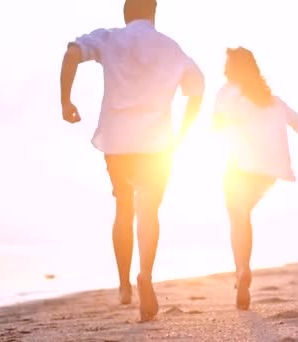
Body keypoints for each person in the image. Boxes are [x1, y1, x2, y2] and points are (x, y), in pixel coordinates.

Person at [59, 0, 204, 321]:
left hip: (117, 141)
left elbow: (72, 52)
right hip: (157, 145)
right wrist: (183, 134)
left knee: (124, 207)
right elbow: (197, 89)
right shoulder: (171, 48)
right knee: (149, 210)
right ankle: (146, 277)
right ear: (154, 13)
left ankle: (124, 283)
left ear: (126, 14)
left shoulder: (111, 38)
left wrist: (65, 101)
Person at [212, 47, 298, 311]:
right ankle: (242, 269)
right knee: (243, 213)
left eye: (228, 66)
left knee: (238, 218)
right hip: (268, 171)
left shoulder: (227, 93)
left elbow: (217, 123)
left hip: (239, 166)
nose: (224, 70)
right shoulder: (273, 101)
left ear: (235, 69)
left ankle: (242, 269)